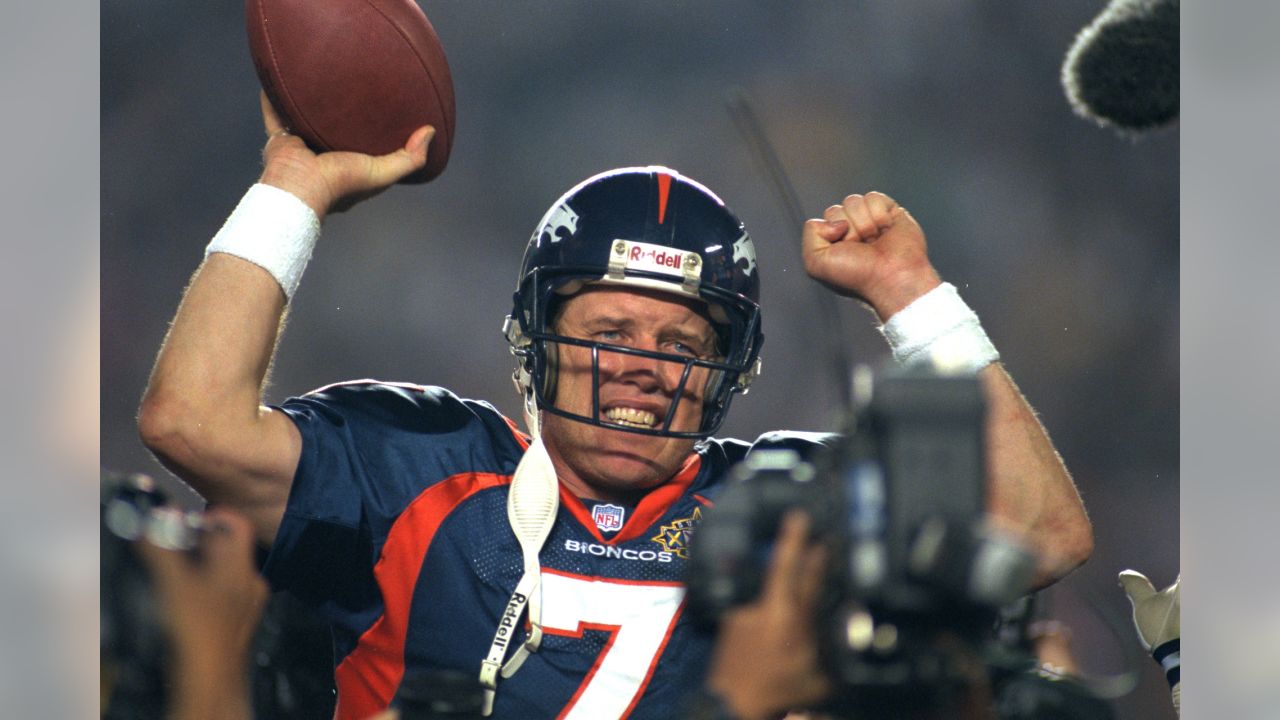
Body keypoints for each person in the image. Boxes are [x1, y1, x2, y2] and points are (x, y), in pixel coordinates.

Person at [138, 94, 1093, 719]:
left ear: (730, 371)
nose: (643, 368)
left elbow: (1041, 532)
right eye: (610, 333)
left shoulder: (782, 506)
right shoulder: (426, 467)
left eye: (682, 344)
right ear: (535, 339)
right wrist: (291, 189)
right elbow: (193, 422)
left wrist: (912, 296)